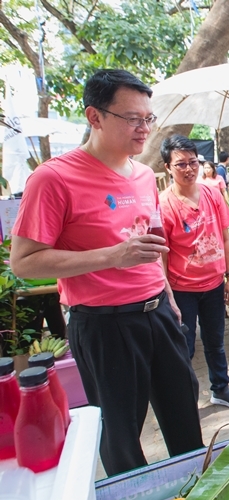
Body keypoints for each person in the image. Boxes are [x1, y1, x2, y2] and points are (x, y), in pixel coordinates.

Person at [10, 69, 203, 475]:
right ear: (94, 116)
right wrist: (112, 256)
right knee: (120, 435)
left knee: (184, 414)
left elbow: (148, 247)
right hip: (103, 324)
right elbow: (24, 261)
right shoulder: (53, 178)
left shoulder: (145, 175)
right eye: (132, 118)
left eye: (148, 118)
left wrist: (166, 295)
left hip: (158, 314)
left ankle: (198, 493)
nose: (144, 128)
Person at [159, 136, 229, 411]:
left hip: (213, 285)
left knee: (215, 342)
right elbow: (162, 256)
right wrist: (167, 295)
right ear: (167, 167)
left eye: (193, 162)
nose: (189, 169)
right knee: (184, 348)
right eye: (181, 164)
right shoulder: (164, 205)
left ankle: (220, 389)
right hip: (181, 289)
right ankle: (186, 401)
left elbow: (225, 238)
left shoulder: (212, 194)